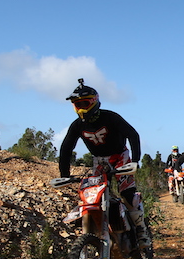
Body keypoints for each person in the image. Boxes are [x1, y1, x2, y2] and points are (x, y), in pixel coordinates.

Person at [58, 78, 150, 246]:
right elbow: (66, 149)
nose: (81, 108)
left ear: (93, 102)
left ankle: (141, 230)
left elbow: (132, 134)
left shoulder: (110, 117)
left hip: (120, 157)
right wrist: (64, 175)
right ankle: (99, 233)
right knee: (93, 197)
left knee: (127, 193)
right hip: (99, 162)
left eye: (84, 103)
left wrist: (135, 160)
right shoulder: (77, 125)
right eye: (77, 105)